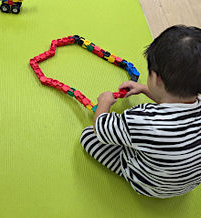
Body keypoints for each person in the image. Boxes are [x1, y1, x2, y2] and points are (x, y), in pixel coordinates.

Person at [80, 25, 201, 198]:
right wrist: (144, 89)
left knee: (88, 136)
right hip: (185, 185)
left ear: (157, 78)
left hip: (148, 185)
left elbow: (101, 129)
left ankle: (131, 173)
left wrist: (104, 102)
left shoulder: (142, 118)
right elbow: (175, 104)